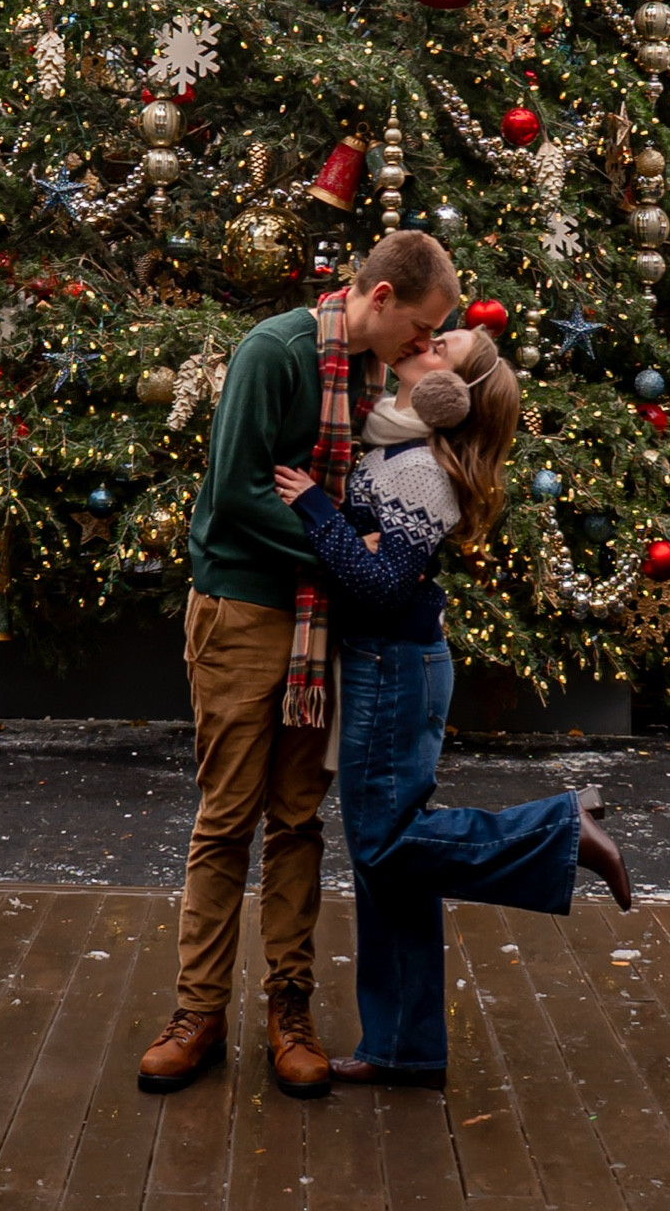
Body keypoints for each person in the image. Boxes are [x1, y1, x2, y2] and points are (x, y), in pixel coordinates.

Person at [138, 229, 462, 1099]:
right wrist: (342, 542)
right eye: (421, 329)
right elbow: (236, 489)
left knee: (296, 821)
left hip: (326, 630)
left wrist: (364, 542)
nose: (424, 350)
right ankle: (197, 1012)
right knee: (227, 817)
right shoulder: (276, 352)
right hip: (245, 610)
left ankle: (290, 1011)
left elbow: (407, 485)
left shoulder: (372, 379)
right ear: (382, 297)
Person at [272, 326, 633, 1088]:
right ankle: (402, 1045)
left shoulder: (423, 474)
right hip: (383, 661)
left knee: (383, 845)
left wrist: (316, 509)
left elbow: (378, 584)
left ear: (448, 396)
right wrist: (348, 533)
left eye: (443, 350)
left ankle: (563, 828)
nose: (424, 342)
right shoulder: (393, 444)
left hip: (392, 665)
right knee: (388, 866)